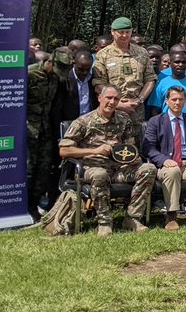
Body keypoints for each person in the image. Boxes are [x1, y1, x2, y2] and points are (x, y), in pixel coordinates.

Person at [59, 85, 156, 236]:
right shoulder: (83, 122)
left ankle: (132, 218)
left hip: (118, 169)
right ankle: (104, 222)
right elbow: (64, 150)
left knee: (148, 169)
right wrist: (95, 150)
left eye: (116, 99)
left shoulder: (124, 119)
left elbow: (129, 147)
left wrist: (133, 158)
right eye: (108, 98)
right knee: (100, 175)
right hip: (91, 169)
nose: (112, 102)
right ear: (100, 98)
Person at [142, 86, 186, 230]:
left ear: (185, 101)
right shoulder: (155, 122)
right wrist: (163, 160)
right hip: (166, 165)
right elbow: (148, 148)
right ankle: (171, 215)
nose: (177, 102)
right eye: (174, 99)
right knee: (173, 171)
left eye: (181, 99)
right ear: (167, 101)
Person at [26, 48, 70, 219]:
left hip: (45, 129)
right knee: (28, 169)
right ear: (50, 61)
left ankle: (34, 205)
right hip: (28, 129)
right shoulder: (29, 74)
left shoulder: (56, 78)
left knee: (44, 169)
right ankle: (23, 206)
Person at [91, 17, 156, 116]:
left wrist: (139, 100)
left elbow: (150, 79)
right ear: (113, 32)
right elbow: (99, 83)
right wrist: (118, 103)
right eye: (121, 32)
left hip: (136, 111)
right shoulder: (103, 55)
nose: (124, 35)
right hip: (112, 111)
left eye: (127, 32)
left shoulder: (142, 53)